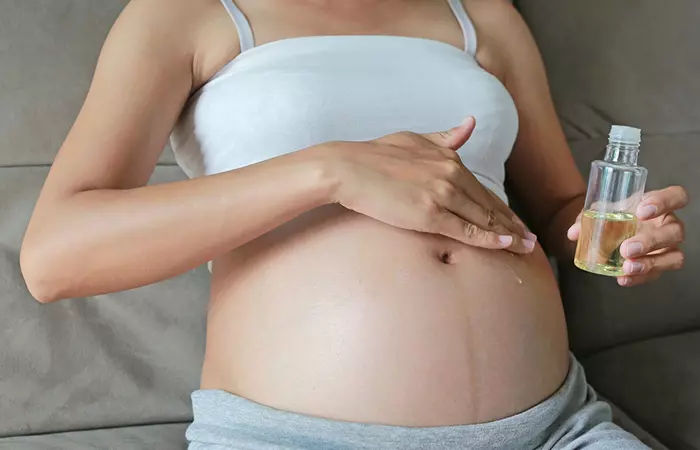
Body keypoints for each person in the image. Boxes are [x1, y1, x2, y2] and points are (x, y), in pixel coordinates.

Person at [21, 0, 688, 448]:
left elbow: (561, 208)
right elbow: (56, 256)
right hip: (299, 438)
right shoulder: (184, 14)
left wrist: (624, 230)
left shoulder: (481, 15)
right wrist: (330, 170)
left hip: (556, 429)